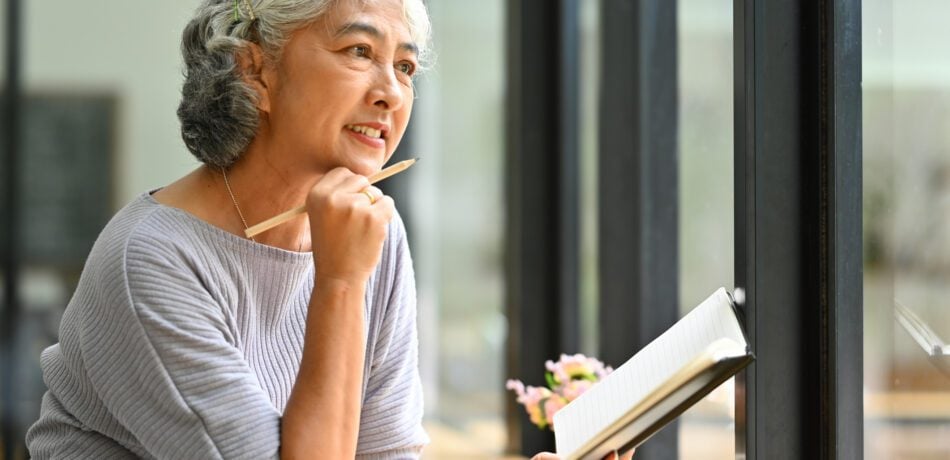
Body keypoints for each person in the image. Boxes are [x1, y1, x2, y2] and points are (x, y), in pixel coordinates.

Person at [27, 0, 430, 457]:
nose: (392, 93)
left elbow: (387, 451)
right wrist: (340, 283)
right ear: (255, 71)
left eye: (405, 66)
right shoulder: (151, 257)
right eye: (359, 50)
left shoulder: (371, 225)